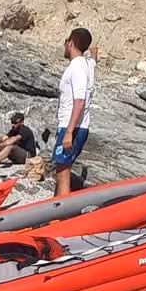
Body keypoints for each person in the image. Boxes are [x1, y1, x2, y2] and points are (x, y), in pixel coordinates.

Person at [52, 27, 96, 197]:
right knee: (61, 169)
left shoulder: (77, 67)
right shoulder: (86, 66)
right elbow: (92, 63)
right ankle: (54, 211)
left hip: (72, 127)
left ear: (71, 42)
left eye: (66, 42)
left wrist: (69, 132)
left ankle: (60, 217)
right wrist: (93, 57)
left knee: (63, 172)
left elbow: (79, 101)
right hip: (74, 126)